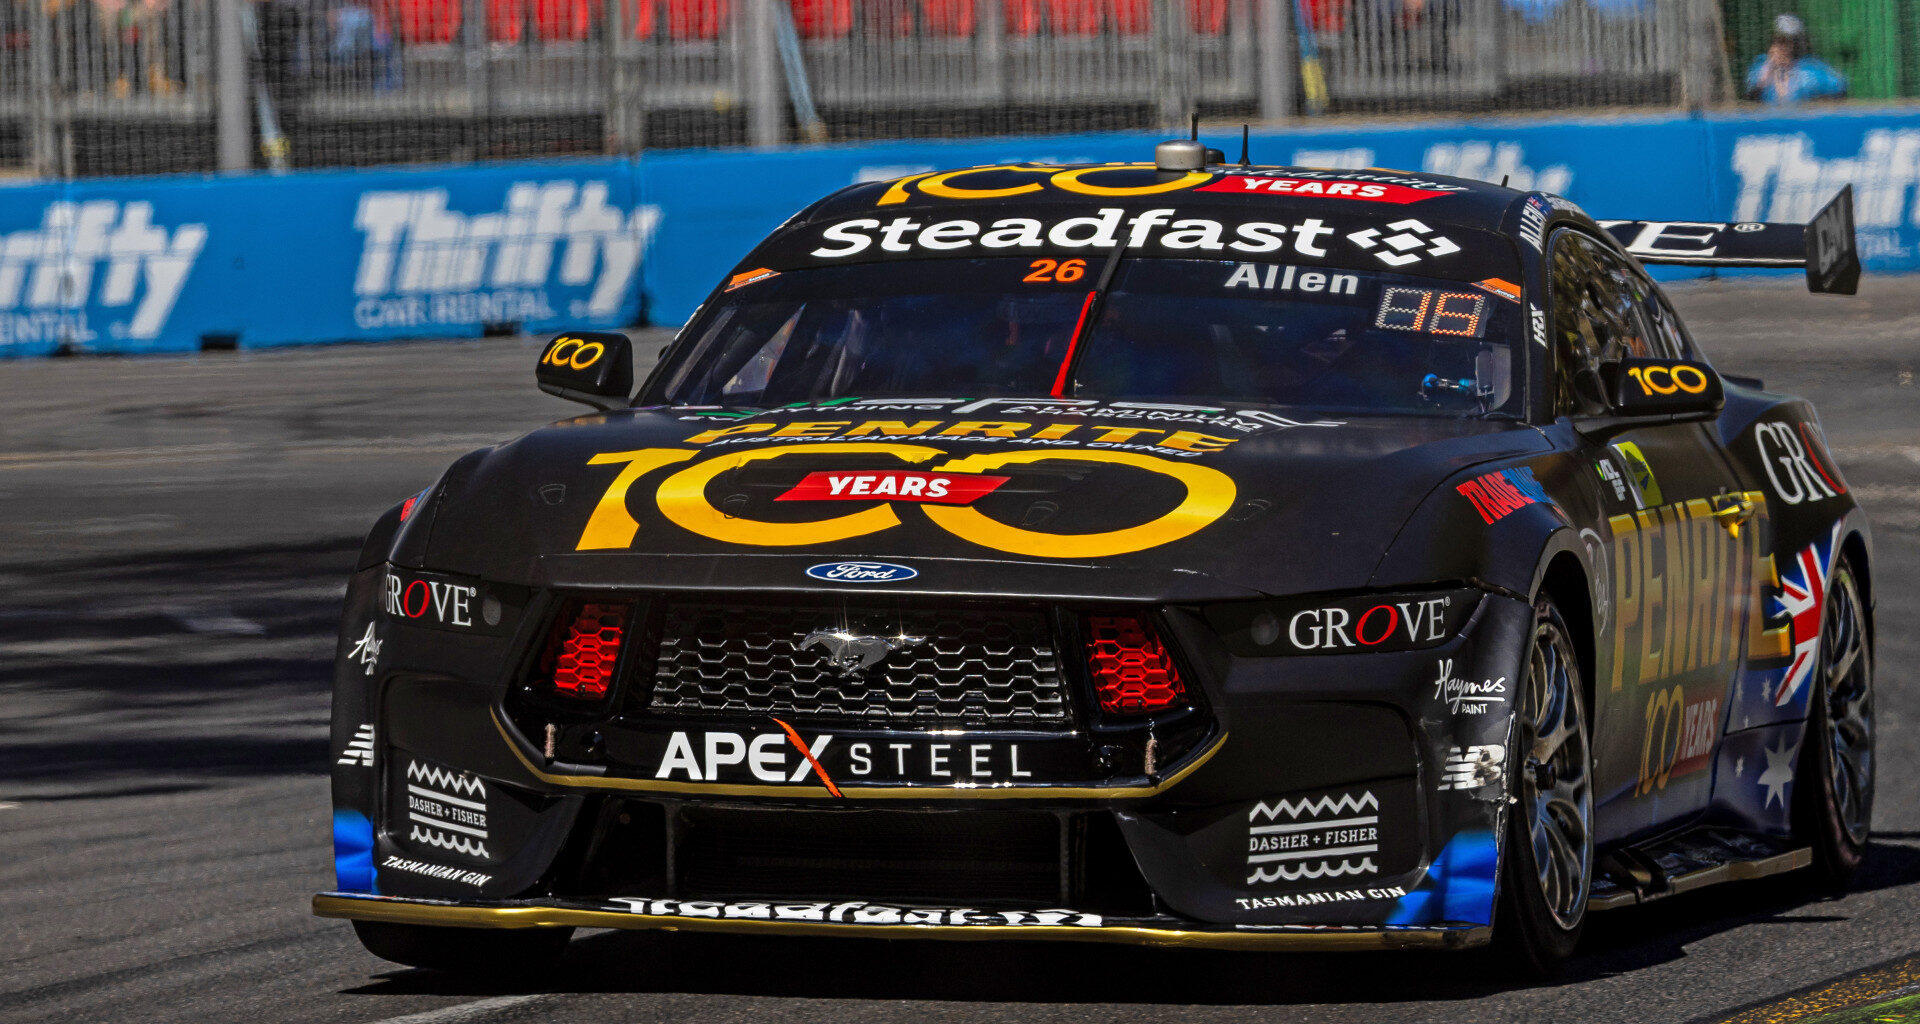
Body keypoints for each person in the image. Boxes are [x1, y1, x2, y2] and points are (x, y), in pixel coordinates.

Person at [1745, 13, 1847, 106]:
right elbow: (1750, 99)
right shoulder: (1760, 67)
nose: (1783, 48)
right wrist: (1766, 74)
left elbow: (1839, 87)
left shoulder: (1810, 69)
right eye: (1779, 41)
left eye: (1789, 42)